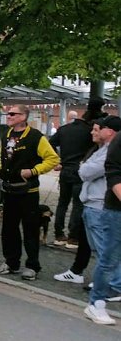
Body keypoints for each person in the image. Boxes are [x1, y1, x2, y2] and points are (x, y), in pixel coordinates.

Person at [55, 116, 121, 294]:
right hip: (93, 204)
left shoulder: (110, 151)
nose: (92, 132)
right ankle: (97, 279)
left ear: (109, 131)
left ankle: (109, 285)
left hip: (99, 205)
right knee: (96, 246)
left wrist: (84, 166)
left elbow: (86, 171)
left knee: (104, 249)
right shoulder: (101, 150)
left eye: (97, 129)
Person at [0, 105, 60, 281]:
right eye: (8, 114)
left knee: (30, 229)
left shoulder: (35, 137)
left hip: (28, 191)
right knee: (9, 229)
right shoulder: (6, 135)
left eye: (13, 114)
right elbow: (4, 157)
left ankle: (32, 266)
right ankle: (11, 262)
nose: (9, 116)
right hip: (9, 190)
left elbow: (53, 159)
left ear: (23, 116)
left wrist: (33, 171)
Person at [85, 116, 121, 325]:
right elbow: (113, 173)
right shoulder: (118, 141)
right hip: (116, 210)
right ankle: (96, 303)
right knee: (108, 259)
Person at [49, 109, 94, 247]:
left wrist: (58, 160)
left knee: (62, 202)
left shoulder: (63, 129)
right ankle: (72, 237)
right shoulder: (88, 131)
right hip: (80, 170)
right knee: (77, 204)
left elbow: (50, 143)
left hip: (65, 169)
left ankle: (58, 234)